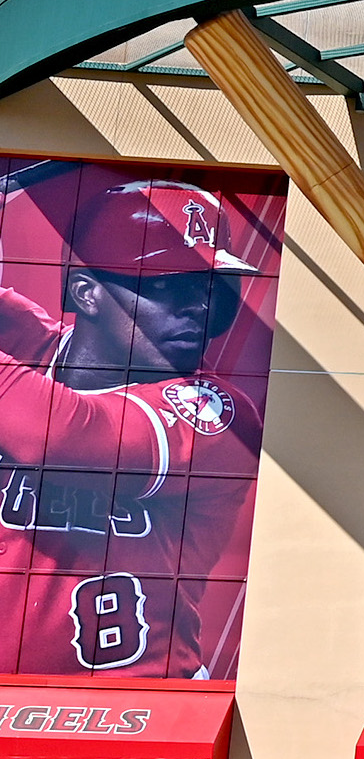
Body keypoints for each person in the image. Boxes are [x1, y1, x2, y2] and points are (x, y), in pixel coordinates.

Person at [0, 179, 265, 675]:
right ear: (87, 293)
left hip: (139, 708)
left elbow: (59, 436)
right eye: (166, 286)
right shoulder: (30, 347)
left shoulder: (216, 413)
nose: (198, 308)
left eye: (207, 288)